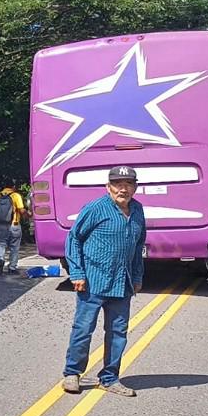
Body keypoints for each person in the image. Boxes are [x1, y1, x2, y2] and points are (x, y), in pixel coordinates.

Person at [62, 166, 146, 398]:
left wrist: (137, 276)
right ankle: (72, 373)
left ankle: (109, 378)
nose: (123, 188)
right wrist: (77, 273)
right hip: (93, 282)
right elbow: (74, 240)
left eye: (128, 184)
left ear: (135, 187)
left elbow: (139, 246)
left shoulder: (137, 210)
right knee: (83, 329)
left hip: (123, 284)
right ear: (108, 187)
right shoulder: (95, 209)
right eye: (118, 184)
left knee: (118, 332)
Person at [0, 184, 27, 275]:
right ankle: (12, 267)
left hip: (1, 225)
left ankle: (0, 259)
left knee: (1, 244)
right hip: (14, 225)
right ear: (13, 187)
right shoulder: (16, 196)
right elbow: (22, 210)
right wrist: (29, 215)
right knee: (14, 247)